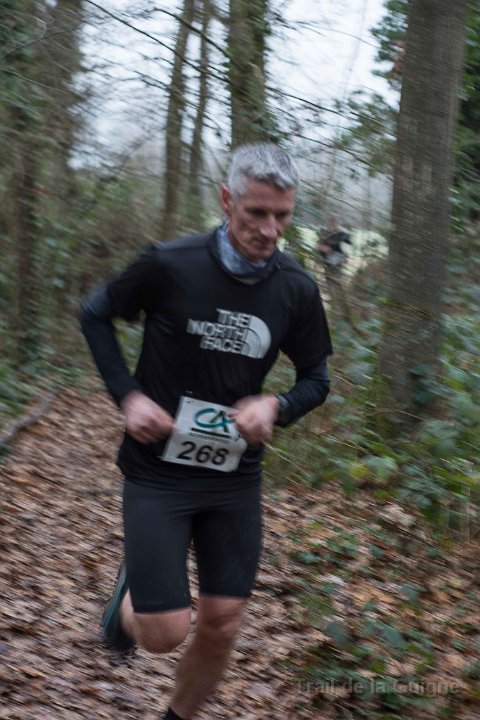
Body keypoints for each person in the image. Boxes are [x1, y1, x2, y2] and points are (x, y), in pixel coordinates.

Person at [80, 142, 332, 720]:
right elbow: (95, 313)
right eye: (257, 213)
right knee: (164, 632)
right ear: (226, 200)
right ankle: (130, 601)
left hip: (233, 476)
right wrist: (129, 396)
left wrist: (276, 405)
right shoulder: (171, 264)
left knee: (222, 623)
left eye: (283, 216)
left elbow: (317, 379)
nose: (270, 230)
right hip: (157, 470)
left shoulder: (295, 287)